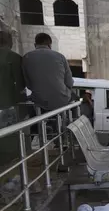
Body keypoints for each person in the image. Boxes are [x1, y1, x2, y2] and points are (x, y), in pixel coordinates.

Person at [0, 30, 26, 193]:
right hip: (8, 108)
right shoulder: (14, 59)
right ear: (9, 42)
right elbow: (21, 85)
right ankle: (10, 182)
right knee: (12, 147)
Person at [22, 33, 74, 113]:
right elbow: (69, 82)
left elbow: (28, 84)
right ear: (50, 45)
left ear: (35, 44)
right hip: (62, 100)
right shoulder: (60, 57)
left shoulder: (26, 57)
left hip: (39, 101)